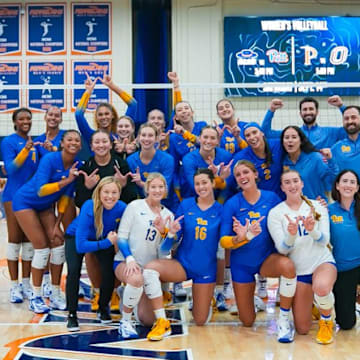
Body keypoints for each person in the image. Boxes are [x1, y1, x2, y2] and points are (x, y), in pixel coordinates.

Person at [220, 160, 297, 343]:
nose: (242, 177)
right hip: (242, 265)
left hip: (266, 259)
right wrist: (242, 236)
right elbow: (224, 241)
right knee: (247, 321)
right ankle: (250, 300)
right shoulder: (232, 204)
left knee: (287, 266)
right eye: (238, 175)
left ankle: (284, 319)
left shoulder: (271, 198)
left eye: (245, 172)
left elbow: (288, 217)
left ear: (255, 174)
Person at [142, 168, 223, 340]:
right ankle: (162, 321)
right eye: (197, 183)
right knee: (150, 269)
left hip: (206, 271)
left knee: (200, 321)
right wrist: (168, 232)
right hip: (183, 265)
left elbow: (224, 246)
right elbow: (169, 244)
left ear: (213, 183)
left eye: (204, 182)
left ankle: (206, 299)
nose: (201, 187)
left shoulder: (222, 210)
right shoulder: (186, 205)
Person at [12, 130, 82, 314]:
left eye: (77, 140)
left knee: (58, 242)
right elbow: (42, 190)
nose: (73, 142)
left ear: (80, 145)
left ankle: (56, 292)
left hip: (45, 207)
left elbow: (66, 198)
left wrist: (57, 224)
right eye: (69, 140)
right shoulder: (50, 159)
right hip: (25, 202)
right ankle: (35, 296)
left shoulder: (77, 165)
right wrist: (66, 180)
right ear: (63, 143)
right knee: (42, 247)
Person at [268, 169, 336, 345]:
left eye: (295, 181)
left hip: (322, 261)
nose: (292, 185)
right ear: (282, 187)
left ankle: (327, 320)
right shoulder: (276, 213)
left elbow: (325, 240)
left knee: (321, 287)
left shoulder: (318, 206)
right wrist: (290, 235)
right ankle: (317, 303)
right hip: (299, 270)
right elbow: (282, 250)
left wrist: (312, 230)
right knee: (303, 328)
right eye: (287, 182)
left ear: (302, 183)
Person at [75, 129, 137, 312]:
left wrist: (124, 185)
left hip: (117, 220)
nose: (101, 145)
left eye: (105, 141)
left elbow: (132, 196)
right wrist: (87, 186)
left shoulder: (121, 163)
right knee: (90, 252)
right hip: (95, 220)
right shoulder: (86, 166)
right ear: (92, 146)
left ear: (111, 145)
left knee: (117, 249)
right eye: (97, 142)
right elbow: (80, 201)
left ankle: (115, 292)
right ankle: (97, 291)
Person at [114, 173, 174, 339]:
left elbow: (164, 252)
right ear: (147, 188)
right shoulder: (134, 206)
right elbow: (122, 237)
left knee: (146, 320)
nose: (157, 190)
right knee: (135, 279)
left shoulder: (168, 215)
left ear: (165, 190)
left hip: (149, 270)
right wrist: (129, 259)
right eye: (153, 187)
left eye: (160, 187)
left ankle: (127, 295)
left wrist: (165, 233)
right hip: (125, 261)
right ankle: (125, 322)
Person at [65, 176, 126, 331]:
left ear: (119, 194)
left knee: (109, 271)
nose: (110, 196)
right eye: (106, 192)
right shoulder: (89, 206)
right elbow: (81, 246)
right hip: (76, 238)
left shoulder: (122, 208)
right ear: (99, 192)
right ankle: (72, 314)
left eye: (114, 192)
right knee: (73, 272)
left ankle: (103, 307)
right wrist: (107, 243)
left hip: (103, 238)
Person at [1, 108, 38, 303]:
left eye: (29, 118)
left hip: (31, 197)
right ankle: (14, 286)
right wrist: (25, 149)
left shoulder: (35, 142)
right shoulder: (9, 141)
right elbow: (11, 168)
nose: (26, 121)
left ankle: (26, 283)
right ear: (15, 122)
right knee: (15, 239)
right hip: (13, 196)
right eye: (22, 119)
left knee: (29, 241)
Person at [329, 170, 360, 330]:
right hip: (343, 269)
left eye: (352, 182)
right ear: (337, 186)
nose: (348, 185)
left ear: (357, 187)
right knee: (346, 323)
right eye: (345, 181)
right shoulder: (328, 211)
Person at [75, 72, 137, 151]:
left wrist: (112, 86)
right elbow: (78, 115)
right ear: (96, 118)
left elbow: (133, 104)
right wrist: (88, 92)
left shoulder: (121, 133)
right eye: (100, 115)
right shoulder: (91, 135)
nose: (104, 117)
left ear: (113, 115)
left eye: (107, 114)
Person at [261, 96, 346, 149]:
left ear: (317, 112)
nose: (308, 112)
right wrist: (271, 110)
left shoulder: (330, 133)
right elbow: (266, 133)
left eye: (311, 109)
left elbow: (353, 129)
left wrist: (341, 106)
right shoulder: (292, 134)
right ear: (300, 113)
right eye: (305, 109)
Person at [281, 125, 338, 200]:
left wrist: (331, 160)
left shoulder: (315, 158)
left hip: (317, 206)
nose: (290, 140)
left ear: (301, 141)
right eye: (286, 138)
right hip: (295, 209)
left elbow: (332, 180)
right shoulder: (283, 162)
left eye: (294, 137)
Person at [126, 123, 175, 210]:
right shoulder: (130, 160)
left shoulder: (167, 159)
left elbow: (165, 190)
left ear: (156, 139)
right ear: (138, 138)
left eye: (150, 135)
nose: (146, 139)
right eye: (143, 135)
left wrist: (141, 183)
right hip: (142, 205)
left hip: (165, 205)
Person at [230, 122, 283, 197]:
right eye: (248, 135)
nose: (252, 137)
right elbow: (231, 183)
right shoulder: (241, 157)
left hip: (282, 200)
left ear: (262, 133)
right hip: (259, 202)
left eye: (254, 132)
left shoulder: (277, 145)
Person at [182, 126, 233, 202]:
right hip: (196, 199)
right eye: (205, 137)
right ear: (199, 138)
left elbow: (228, 185)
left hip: (221, 200)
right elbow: (194, 186)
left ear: (217, 141)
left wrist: (219, 205)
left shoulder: (226, 156)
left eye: (212, 138)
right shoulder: (189, 159)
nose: (208, 141)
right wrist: (216, 179)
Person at [330, 106, 360, 179]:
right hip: (349, 189)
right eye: (346, 118)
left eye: (353, 117)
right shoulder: (336, 148)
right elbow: (334, 173)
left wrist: (341, 105)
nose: (350, 121)